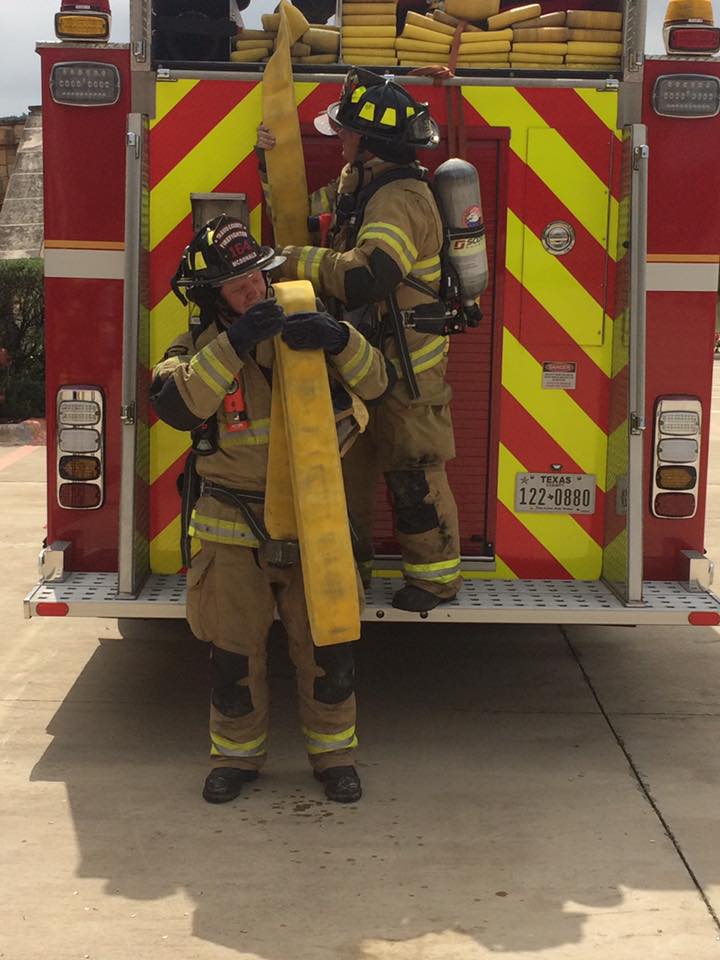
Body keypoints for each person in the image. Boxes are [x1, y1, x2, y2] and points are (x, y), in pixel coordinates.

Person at [150, 215, 390, 804]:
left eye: (256, 278)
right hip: (233, 531)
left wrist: (340, 338)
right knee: (233, 659)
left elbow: (377, 383)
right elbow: (176, 405)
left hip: (316, 523)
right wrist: (232, 344)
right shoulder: (195, 349)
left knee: (328, 653)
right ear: (214, 298)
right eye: (238, 287)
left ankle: (334, 757)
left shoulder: (309, 324)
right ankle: (236, 759)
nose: (255, 291)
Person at [256, 68, 462, 614]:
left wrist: (296, 262)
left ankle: (435, 580)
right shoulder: (360, 185)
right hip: (364, 360)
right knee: (348, 474)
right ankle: (350, 572)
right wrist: (270, 164)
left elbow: (368, 277)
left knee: (413, 474)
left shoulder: (401, 200)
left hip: (406, 369)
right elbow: (303, 216)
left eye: (347, 131)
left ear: (369, 142)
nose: (340, 138)